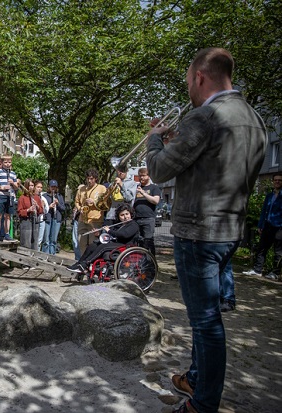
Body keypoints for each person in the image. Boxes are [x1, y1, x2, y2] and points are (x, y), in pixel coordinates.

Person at [146, 48, 266, 413]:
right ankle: (197, 378)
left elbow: (159, 171)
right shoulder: (255, 118)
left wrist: (154, 138)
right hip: (231, 230)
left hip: (199, 233)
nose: (189, 91)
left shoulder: (205, 116)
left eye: (188, 82)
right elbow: (214, 168)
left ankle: (203, 403)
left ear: (200, 76)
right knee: (208, 314)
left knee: (205, 321)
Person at [67, 203, 139, 276]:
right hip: (117, 244)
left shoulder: (133, 224)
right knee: (93, 245)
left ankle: (85, 264)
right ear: (119, 216)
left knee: (103, 246)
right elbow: (112, 236)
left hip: (125, 246)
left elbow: (124, 235)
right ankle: (79, 264)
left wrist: (109, 231)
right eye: (122, 215)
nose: (125, 217)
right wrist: (99, 235)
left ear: (131, 214)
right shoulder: (120, 225)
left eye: (127, 214)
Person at [242, 173, 282, 280]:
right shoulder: (269, 196)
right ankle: (257, 270)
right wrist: (260, 225)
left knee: (278, 251)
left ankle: (275, 273)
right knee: (262, 248)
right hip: (267, 225)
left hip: (279, 227)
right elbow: (264, 211)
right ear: (273, 182)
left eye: (280, 180)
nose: (277, 182)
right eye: (276, 180)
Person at [75, 169, 107, 254]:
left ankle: (91, 264)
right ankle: (83, 262)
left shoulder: (102, 188)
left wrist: (94, 202)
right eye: (88, 178)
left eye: (91, 178)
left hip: (95, 220)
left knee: (92, 243)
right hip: (83, 219)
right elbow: (77, 202)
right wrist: (80, 208)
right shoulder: (81, 189)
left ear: (96, 178)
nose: (89, 181)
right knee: (81, 242)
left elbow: (106, 204)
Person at [133, 167, 161, 255]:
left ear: (148, 176)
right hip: (137, 218)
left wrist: (144, 193)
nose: (141, 178)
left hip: (148, 219)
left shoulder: (154, 188)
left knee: (148, 241)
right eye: (140, 176)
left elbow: (156, 201)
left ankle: (151, 262)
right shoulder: (137, 187)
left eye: (143, 176)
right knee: (138, 242)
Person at [0, 154, 18, 241]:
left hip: (10, 196)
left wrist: (13, 183)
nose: (7, 164)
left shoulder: (13, 173)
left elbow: (16, 187)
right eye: (5, 162)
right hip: (1, 195)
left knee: (8, 216)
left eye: (9, 162)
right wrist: (2, 187)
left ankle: (7, 233)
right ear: (2, 162)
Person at [41, 180, 66, 254]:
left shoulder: (59, 196)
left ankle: (52, 255)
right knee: (46, 239)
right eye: (52, 187)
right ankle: (45, 255)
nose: (53, 189)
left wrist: (57, 204)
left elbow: (63, 208)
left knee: (54, 239)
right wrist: (49, 206)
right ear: (49, 187)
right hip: (48, 219)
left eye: (55, 187)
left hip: (56, 219)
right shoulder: (44, 196)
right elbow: (42, 209)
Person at [17, 179, 43, 249]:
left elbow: (41, 210)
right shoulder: (22, 198)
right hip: (26, 221)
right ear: (26, 186)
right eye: (29, 185)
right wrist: (28, 210)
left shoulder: (36, 197)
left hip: (35, 221)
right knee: (26, 242)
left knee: (34, 242)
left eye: (32, 185)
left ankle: (33, 258)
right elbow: (19, 212)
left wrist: (37, 206)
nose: (31, 187)